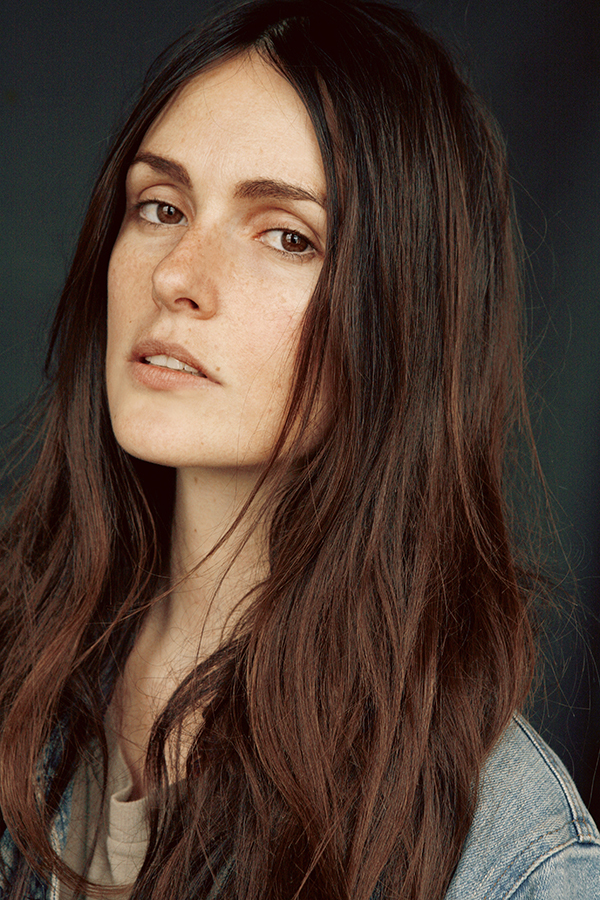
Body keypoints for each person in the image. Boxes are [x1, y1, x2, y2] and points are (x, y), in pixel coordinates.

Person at [0, 0, 598, 897]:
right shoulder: (22, 662)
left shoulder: (510, 851)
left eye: (287, 235)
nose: (176, 274)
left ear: (405, 314)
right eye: (160, 207)